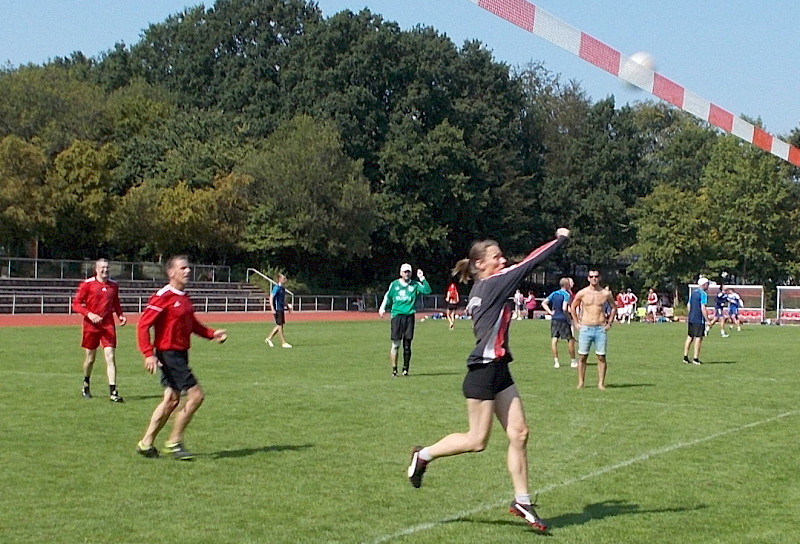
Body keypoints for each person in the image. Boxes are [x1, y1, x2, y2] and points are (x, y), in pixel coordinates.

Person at [406, 228, 570, 533]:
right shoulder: (493, 283)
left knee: (519, 433)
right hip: (483, 371)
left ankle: (522, 500)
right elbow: (530, 263)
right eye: (497, 256)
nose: (503, 260)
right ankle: (423, 454)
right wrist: (560, 239)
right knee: (476, 441)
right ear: (480, 263)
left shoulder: (486, 286)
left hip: (499, 368)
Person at [135, 255, 227, 460]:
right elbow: (143, 325)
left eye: (189, 268)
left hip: (180, 354)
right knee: (196, 396)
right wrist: (148, 354)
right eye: (183, 268)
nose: (188, 271)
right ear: (171, 272)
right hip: (169, 355)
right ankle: (174, 442)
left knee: (171, 400)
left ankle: (146, 443)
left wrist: (212, 334)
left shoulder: (183, 297)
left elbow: (192, 324)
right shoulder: (163, 296)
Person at [72, 258, 127, 402]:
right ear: (96, 269)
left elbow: (116, 303)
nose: (105, 270)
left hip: (107, 325)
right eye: (102, 268)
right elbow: (76, 304)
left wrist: (120, 315)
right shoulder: (87, 284)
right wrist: (89, 314)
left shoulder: (113, 286)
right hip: (91, 326)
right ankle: (86, 383)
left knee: (110, 357)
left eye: (107, 268)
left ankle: (113, 392)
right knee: (90, 359)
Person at [379, 263, 431, 377]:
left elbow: (427, 290)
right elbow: (388, 297)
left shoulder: (415, 285)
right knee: (395, 344)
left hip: (409, 316)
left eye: (408, 272)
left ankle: (405, 369)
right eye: (405, 272)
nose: (407, 274)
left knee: (407, 345)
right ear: (401, 273)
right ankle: (394, 370)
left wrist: (422, 278)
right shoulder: (394, 285)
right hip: (397, 316)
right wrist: (383, 308)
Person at [569, 270, 617, 390]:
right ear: (588, 278)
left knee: (601, 357)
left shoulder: (606, 293)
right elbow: (573, 307)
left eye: (596, 276)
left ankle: (601, 383)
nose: (594, 278)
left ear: (599, 278)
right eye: (591, 276)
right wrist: (576, 322)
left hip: (600, 328)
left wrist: (609, 323)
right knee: (582, 356)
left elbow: (613, 308)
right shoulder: (582, 293)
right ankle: (581, 382)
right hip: (585, 327)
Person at [541, 278, 577, 369]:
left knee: (554, 339)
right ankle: (573, 361)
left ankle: (556, 361)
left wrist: (550, 312)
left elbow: (544, 303)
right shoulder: (566, 294)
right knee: (570, 339)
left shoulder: (554, 293)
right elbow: (565, 308)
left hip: (554, 318)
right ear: (566, 285)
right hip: (563, 319)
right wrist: (568, 317)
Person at [683, 277, 710, 365]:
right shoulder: (703, 294)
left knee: (690, 337)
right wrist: (707, 320)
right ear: (704, 285)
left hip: (691, 319)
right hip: (699, 320)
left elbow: (688, 305)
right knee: (698, 338)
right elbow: (703, 307)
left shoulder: (694, 293)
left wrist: (690, 315)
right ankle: (695, 358)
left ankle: (685, 357)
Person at [265, 273, 292, 348]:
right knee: (280, 326)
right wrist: (272, 308)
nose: (285, 279)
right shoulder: (276, 288)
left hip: (281, 309)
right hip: (277, 309)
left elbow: (282, 300)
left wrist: (287, 306)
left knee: (279, 325)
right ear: (280, 279)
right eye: (284, 278)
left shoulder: (282, 289)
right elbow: (271, 298)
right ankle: (283, 342)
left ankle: (269, 338)